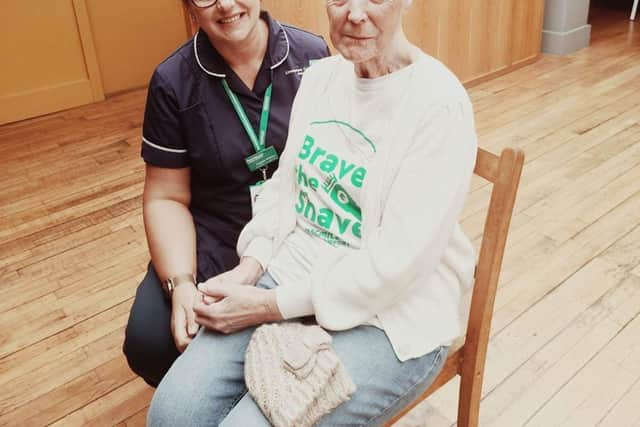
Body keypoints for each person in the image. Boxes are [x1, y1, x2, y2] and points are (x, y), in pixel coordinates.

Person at [147, 0, 478, 425]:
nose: (354, 13)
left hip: (390, 317)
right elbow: (285, 190)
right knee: (171, 415)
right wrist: (251, 265)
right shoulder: (321, 76)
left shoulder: (438, 103)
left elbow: (395, 266)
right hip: (289, 279)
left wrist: (267, 306)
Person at [122, 0, 330, 387]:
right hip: (216, 236)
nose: (227, 4)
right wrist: (181, 283)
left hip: (297, 229)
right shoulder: (173, 80)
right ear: (188, 8)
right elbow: (166, 198)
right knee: (150, 341)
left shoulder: (313, 55)